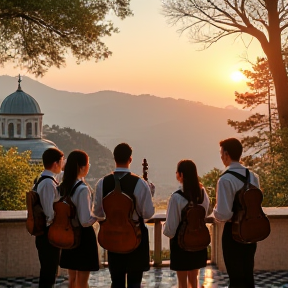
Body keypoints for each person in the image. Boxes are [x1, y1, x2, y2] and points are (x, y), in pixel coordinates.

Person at [92, 143, 155, 288]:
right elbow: (148, 213)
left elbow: (97, 213)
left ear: (114, 158)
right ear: (130, 159)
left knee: (117, 281)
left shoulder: (102, 183)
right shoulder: (140, 183)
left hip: (113, 238)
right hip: (135, 238)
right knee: (134, 282)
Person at [212, 138, 260, 288]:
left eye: (221, 153)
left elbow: (224, 214)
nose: (221, 157)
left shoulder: (225, 179)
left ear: (226, 154)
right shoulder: (253, 176)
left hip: (233, 233)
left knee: (236, 277)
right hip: (251, 230)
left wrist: (214, 211)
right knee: (248, 272)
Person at [163, 160, 210, 288]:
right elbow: (204, 215)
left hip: (181, 243)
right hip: (198, 241)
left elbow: (170, 229)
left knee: (182, 282)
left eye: (177, 172)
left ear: (181, 175)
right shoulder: (202, 194)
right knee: (194, 279)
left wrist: (164, 228)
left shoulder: (176, 197)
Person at [59, 150, 99, 288]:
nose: (88, 167)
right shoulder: (82, 189)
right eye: (88, 164)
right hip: (83, 237)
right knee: (82, 282)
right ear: (81, 167)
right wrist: (98, 216)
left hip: (68, 235)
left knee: (72, 279)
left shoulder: (63, 187)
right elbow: (85, 220)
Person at [35, 147, 65, 288]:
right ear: (55, 163)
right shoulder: (48, 183)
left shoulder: (42, 179)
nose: (62, 164)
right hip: (48, 234)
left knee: (49, 271)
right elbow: (48, 212)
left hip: (46, 234)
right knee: (49, 272)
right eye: (61, 161)